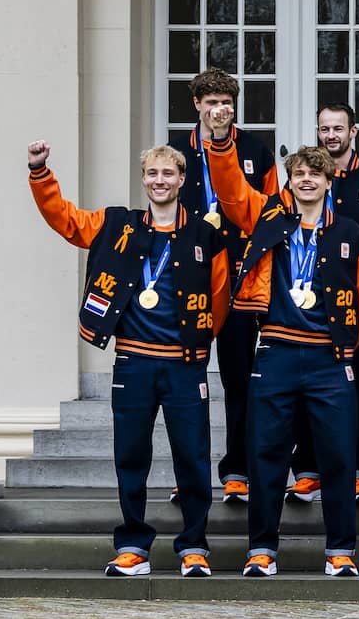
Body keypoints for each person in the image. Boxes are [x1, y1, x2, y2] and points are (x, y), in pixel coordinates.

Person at [28, 140, 229, 577]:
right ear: (143, 179)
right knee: (131, 456)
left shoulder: (204, 234)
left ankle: (194, 546)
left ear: (181, 180)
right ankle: (134, 545)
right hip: (133, 362)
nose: (160, 181)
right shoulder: (116, 224)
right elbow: (65, 219)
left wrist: (198, 343)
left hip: (184, 364)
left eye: (168, 173)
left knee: (193, 457)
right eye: (152, 173)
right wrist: (40, 173)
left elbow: (220, 298)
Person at [203, 104, 359, 578]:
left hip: (329, 357)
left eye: (315, 174)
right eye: (299, 175)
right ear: (289, 182)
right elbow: (232, 190)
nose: (307, 181)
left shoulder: (350, 233)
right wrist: (222, 142)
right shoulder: (269, 220)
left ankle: (340, 552)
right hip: (275, 352)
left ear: (329, 181)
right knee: (266, 456)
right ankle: (262, 550)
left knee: (338, 457)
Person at [169, 67, 277, 504]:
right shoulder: (176, 153)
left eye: (226, 102)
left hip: (239, 280)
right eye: (211, 102)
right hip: (189, 280)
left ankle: (238, 470)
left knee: (239, 379)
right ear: (197, 104)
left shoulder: (255, 150)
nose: (219, 109)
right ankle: (189, 475)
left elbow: (270, 213)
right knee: (184, 383)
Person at [287, 103, 359, 506]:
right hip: (304, 305)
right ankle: (307, 472)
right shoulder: (303, 181)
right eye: (324, 129)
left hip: (353, 304)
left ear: (354, 132)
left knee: (358, 389)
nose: (331, 135)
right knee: (303, 389)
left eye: (338, 128)